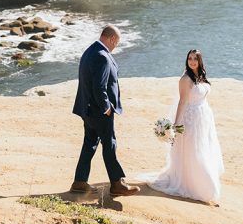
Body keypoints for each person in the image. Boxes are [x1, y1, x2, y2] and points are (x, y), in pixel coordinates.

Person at [147, 49, 224, 204]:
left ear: (200, 61)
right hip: (191, 118)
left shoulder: (200, 76)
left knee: (203, 147)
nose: (192, 61)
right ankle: (201, 185)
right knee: (194, 150)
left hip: (203, 117)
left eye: (195, 59)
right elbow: (182, 102)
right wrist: (175, 125)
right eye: (190, 58)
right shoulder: (185, 79)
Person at [70, 25, 139, 197]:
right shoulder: (102, 56)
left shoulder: (90, 51)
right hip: (99, 111)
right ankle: (117, 184)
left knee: (90, 144)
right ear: (112, 39)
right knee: (110, 145)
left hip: (87, 109)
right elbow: (99, 87)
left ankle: (79, 182)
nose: (116, 45)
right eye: (117, 42)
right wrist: (107, 108)